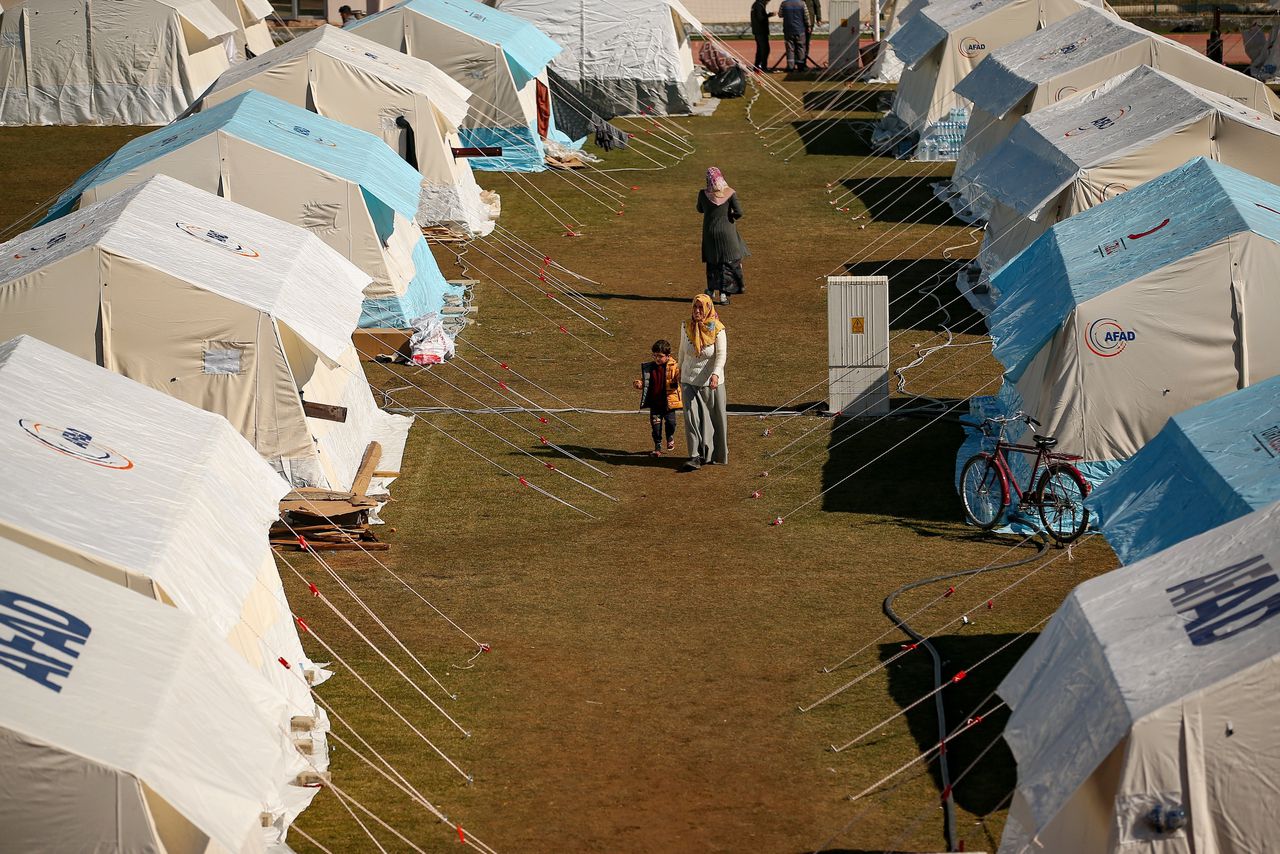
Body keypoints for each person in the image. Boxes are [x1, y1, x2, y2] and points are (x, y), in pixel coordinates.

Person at [678, 295, 728, 471]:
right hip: (688, 379)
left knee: (712, 420)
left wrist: (715, 374)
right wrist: (678, 370)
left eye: (701, 308)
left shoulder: (718, 329)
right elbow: (682, 350)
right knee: (691, 417)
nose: (697, 311)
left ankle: (713, 454)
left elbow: (721, 355)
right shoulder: (686, 326)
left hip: (710, 382)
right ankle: (694, 456)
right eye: (695, 307)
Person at [697, 167, 749, 305]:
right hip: (727, 234)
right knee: (726, 263)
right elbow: (739, 212)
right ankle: (724, 295)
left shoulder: (703, 194)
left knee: (712, 261)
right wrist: (729, 215)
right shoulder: (730, 193)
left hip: (710, 233)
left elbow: (699, 209)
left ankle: (711, 290)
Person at [632, 339, 683, 456]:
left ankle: (670, 436)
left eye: (660, 356)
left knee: (671, 423)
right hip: (655, 404)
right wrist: (638, 383)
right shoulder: (650, 368)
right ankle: (657, 446)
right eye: (654, 356)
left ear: (668, 356)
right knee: (656, 427)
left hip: (669, 403)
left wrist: (679, 377)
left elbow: (679, 376)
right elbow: (644, 380)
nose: (657, 359)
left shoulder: (674, 367)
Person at [778, 0, 812, 72]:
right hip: (800, 29)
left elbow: (780, 15)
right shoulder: (802, 3)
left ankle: (790, 67)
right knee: (801, 48)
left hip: (788, 30)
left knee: (790, 49)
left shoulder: (784, 3)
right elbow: (806, 16)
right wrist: (808, 26)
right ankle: (801, 67)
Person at [751, 0, 774, 72]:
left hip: (758, 31)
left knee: (760, 50)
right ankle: (763, 67)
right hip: (760, 31)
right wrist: (769, 15)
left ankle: (757, 66)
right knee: (765, 49)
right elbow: (760, 18)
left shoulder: (757, 4)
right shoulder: (758, 5)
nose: (768, 2)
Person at [804, 0, 822, 67]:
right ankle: (795, 62)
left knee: (806, 43)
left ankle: (803, 61)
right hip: (798, 21)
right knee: (797, 43)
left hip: (809, 22)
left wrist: (818, 18)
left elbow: (817, 6)